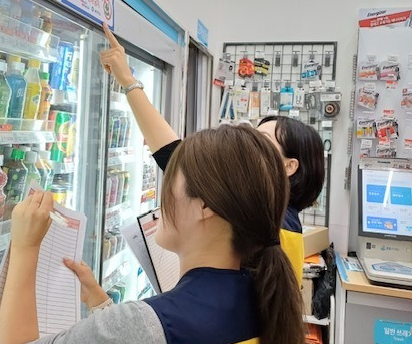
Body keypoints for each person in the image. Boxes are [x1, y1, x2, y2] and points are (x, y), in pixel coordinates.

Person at [0, 128, 303, 344]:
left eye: (172, 181)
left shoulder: (140, 331)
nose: (162, 195)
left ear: (205, 206)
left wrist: (25, 245)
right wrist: (104, 311)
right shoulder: (270, 301)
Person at [99, 23, 325, 284]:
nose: (248, 147)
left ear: (289, 167)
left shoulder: (271, 222)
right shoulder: (278, 216)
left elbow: (176, 158)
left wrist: (128, 80)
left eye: (261, 141)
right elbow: (178, 158)